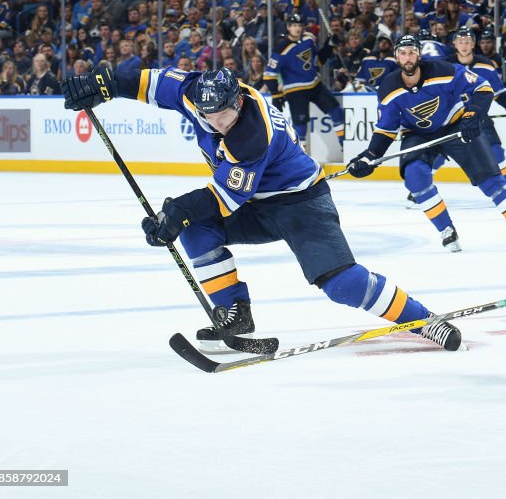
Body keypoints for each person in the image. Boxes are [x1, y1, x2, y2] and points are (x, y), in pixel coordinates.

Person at [62, 65, 462, 352]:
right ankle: (234, 312)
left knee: (342, 284)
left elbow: (222, 199)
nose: (216, 122)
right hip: (254, 201)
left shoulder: (252, 133)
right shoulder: (196, 92)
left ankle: (426, 321)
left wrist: (175, 212)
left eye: (223, 113)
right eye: (207, 115)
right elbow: (147, 81)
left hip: (301, 203)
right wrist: (104, 82)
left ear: (238, 101)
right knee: (196, 228)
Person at [347, 34, 506, 252]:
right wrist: (370, 155)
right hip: (418, 134)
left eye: (412, 52)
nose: (408, 57)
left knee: (492, 182)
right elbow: (386, 129)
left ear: (419, 54)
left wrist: (472, 115)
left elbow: (483, 88)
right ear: (396, 58)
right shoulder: (388, 88)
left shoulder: (444, 70)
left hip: (455, 126)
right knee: (415, 177)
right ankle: (446, 229)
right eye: (403, 53)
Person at [445, 27, 506, 181]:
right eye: (460, 42)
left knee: (496, 150)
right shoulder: (445, 66)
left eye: (467, 42)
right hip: (451, 118)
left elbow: (497, 93)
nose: (464, 45)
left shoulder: (485, 65)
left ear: (473, 44)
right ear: (454, 44)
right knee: (440, 151)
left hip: (478, 116)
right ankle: (421, 188)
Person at [264, 12, 344, 151]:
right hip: (295, 91)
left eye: (299, 25)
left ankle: (345, 145)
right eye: (294, 25)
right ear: (288, 27)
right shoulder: (281, 48)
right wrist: (276, 95)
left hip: (315, 85)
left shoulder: (308, 40)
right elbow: (269, 75)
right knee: (300, 127)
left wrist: (329, 46)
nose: (297, 28)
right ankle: (301, 159)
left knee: (337, 112)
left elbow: (317, 61)